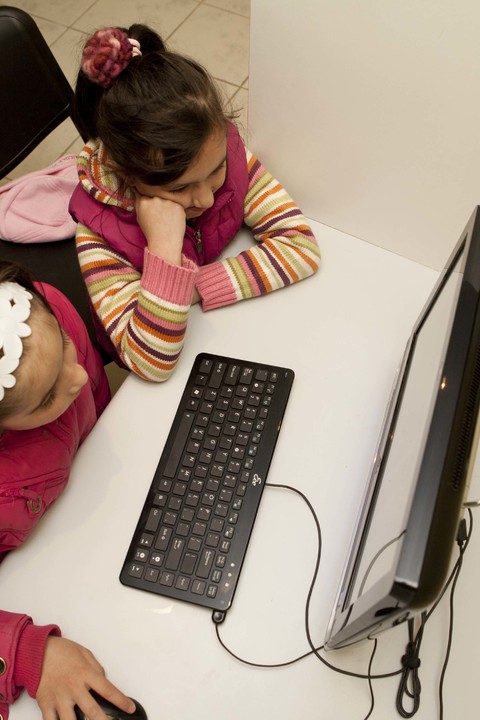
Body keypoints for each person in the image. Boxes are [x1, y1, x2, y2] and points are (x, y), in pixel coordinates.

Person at [69, 24, 321, 380]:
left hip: (215, 329)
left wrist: (191, 289)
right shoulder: (97, 234)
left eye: (216, 170)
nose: (205, 198)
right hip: (157, 351)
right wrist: (163, 249)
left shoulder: (219, 149)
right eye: (179, 188)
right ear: (121, 170)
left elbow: (300, 247)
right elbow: (149, 362)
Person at [0, 261, 135, 719]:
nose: (76, 380)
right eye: (46, 399)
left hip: (99, 516)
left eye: (64, 346)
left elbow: (95, 396)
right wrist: (25, 652)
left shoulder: (44, 309)